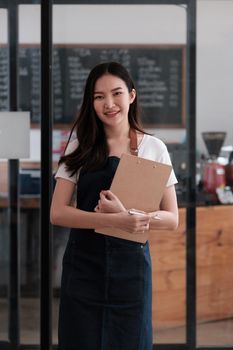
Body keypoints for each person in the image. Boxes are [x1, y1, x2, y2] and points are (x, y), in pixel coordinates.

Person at [50, 61, 178, 350]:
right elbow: (57, 213)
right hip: (83, 270)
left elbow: (171, 219)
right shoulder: (79, 146)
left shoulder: (153, 148)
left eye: (116, 93)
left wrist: (130, 217)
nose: (109, 103)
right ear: (90, 102)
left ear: (132, 96)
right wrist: (117, 221)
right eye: (98, 96)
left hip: (130, 275)